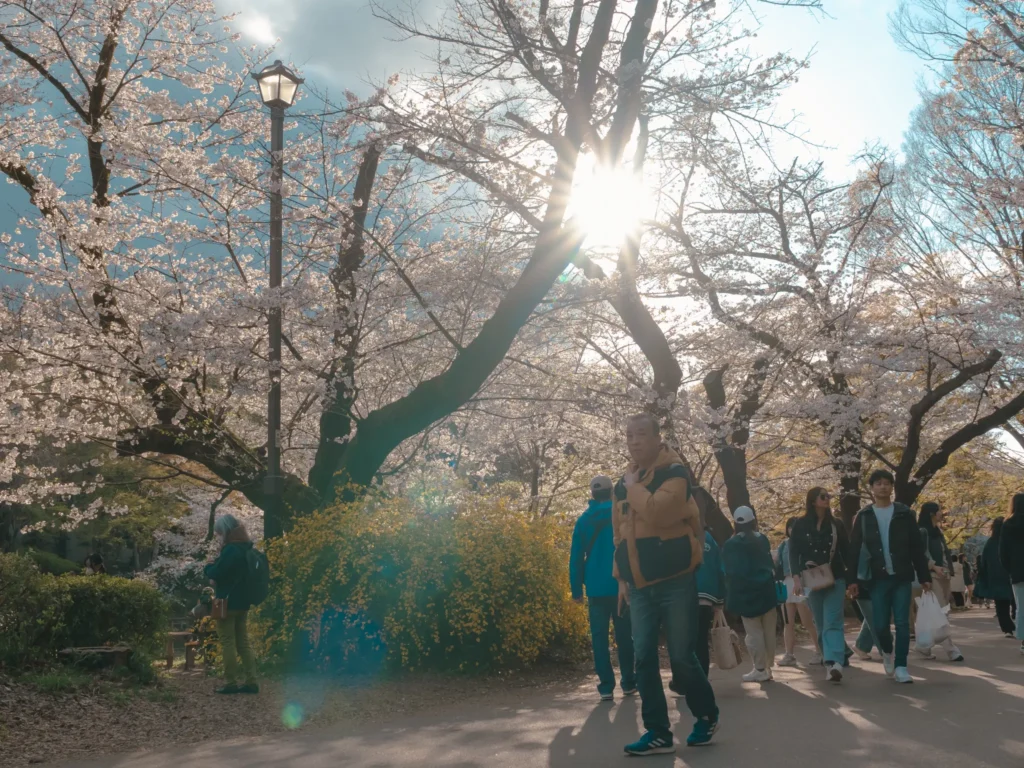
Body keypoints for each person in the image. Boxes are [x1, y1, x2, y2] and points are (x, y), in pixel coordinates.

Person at [612, 414, 719, 754]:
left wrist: (633, 488)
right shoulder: (624, 483)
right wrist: (621, 579)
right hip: (640, 585)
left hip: (675, 581)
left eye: (640, 434)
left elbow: (659, 512)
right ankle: (658, 731)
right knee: (642, 658)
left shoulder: (676, 473)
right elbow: (621, 533)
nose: (633, 440)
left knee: (682, 658)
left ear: (658, 438)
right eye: (628, 435)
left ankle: (706, 714)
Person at [848, 469, 931, 684]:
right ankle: (887, 651)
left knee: (903, 622)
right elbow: (855, 548)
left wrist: (924, 575)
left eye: (887, 483)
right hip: (877, 577)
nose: (883, 486)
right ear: (872, 488)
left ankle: (901, 665)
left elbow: (916, 546)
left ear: (891, 486)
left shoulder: (904, 513)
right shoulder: (864, 516)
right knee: (880, 624)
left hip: (901, 575)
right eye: (878, 483)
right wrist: (852, 580)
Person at [570, 475, 636, 702]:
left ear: (591, 494)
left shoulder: (584, 520)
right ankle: (629, 681)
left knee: (599, 638)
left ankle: (606, 686)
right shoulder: (621, 513)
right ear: (611, 492)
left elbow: (576, 557)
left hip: (596, 587)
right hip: (621, 584)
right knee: (625, 635)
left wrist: (576, 589)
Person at [790, 487, 852, 683]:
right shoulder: (801, 524)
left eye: (829, 497)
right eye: (823, 497)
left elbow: (846, 551)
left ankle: (834, 663)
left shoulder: (836, 524)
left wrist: (853, 580)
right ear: (813, 501)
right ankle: (830, 659)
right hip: (811, 579)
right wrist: (796, 578)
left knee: (833, 621)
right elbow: (794, 552)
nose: (827, 500)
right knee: (821, 622)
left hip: (836, 577)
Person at [722, 505, 778, 684]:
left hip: (747, 595)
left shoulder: (731, 544)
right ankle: (768, 666)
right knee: (769, 631)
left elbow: (730, 572)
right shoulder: (762, 539)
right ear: (753, 520)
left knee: (754, 633)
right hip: (767, 592)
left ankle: (760, 668)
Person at [204, 514, 259, 694]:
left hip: (227, 602)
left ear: (226, 531)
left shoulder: (231, 550)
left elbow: (218, 572)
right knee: (243, 642)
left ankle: (230, 682)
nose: (219, 536)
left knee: (228, 641)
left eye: (220, 532)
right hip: (243, 602)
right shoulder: (247, 549)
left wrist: (208, 567)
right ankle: (252, 680)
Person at [913, 503, 964, 662]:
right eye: (940, 510)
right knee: (941, 613)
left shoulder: (937, 531)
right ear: (931, 513)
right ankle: (951, 650)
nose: (942, 513)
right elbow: (919, 553)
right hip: (932, 575)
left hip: (944, 575)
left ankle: (923, 647)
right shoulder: (923, 531)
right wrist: (933, 566)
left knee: (938, 613)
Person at [775, 517, 822, 667]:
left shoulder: (807, 544)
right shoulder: (783, 545)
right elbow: (778, 565)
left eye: (794, 527)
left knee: (807, 621)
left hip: (803, 582)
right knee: (788, 622)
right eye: (789, 527)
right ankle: (789, 654)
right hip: (787, 584)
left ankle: (819, 651)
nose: (791, 529)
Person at [978, 517, 1015, 637]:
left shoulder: (990, 542)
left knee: (1001, 606)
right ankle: (1018, 624)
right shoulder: (1010, 540)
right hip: (1011, 576)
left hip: (996, 578)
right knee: (1017, 603)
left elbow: (983, 562)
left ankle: (1007, 629)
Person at [1001, 494, 1024, 654]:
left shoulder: (1008, 524)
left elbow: (1003, 551)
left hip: (1017, 571)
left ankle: (1023, 640)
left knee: (1021, 607)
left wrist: (1009, 569)